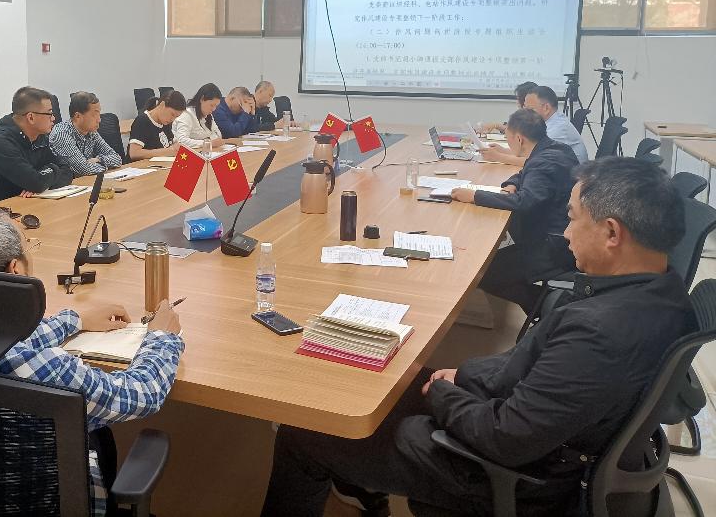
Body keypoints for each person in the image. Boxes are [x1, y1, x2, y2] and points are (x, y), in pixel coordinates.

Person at [261, 157, 695, 517]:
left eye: (572, 219)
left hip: (515, 477)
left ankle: (356, 474)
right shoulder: (661, 291)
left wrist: (444, 394)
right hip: (540, 431)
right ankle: (364, 484)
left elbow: (506, 438)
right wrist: (463, 375)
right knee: (383, 376)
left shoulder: (600, 333)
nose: (565, 233)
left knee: (303, 436)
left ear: (612, 233)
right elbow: (531, 372)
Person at [0, 204, 184, 517]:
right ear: (16, 270)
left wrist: (73, 320)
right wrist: (161, 338)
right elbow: (142, 393)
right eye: (29, 245)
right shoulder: (46, 371)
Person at [451, 109, 580, 312]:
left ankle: (549, 308)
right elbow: (525, 172)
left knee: (481, 273)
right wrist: (511, 184)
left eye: (508, 137)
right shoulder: (556, 149)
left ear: (519, 139)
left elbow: (524, 201)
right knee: (488, 262)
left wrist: (475, 196)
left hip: (553, 246)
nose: (508, 143)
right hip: (560, 236)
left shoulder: (543, 162)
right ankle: (548, 304)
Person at [0, 86, 73, 202]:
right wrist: (52, 170)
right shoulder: (0, 144)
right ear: (31, 118)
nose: (54, 118)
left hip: (26, 202)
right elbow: (37, 183)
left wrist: (44, 180)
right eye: (49, 113)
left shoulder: (39, 137)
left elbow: (67, 171)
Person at [48, 92, 123, 176]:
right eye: (94, 114)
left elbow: (117, 159)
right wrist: (106, 165)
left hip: (87, 181)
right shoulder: (62, 134)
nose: (99, 120)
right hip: (69, 183)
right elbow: (84, 169)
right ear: (78, 116)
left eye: (99, 114)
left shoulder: (91, 132)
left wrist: (98, 160)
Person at [524, 85, 589, 163]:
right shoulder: (548, 122)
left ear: (546, 108)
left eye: (530, 109)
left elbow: (533, 159)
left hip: (572, 170)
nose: (525, 113)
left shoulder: (558, 128)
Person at [127, 90, 188, 162]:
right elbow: (134, 153)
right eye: (172, 114)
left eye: (176, 117)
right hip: (140, 166)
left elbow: (171, 144)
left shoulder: (165, 123)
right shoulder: (142, 121)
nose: (172, 119)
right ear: (162, 105)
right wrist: (168, 151)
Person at [172, 83, 226, 151]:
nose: (214, 109)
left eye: (216, 106)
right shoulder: (187, 114)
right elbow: (181, 141)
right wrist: (208, 143)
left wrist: (209, 141)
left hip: (204, 152)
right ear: (202, 99)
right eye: (211, 105)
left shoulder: (208, 115)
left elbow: (218, 135)